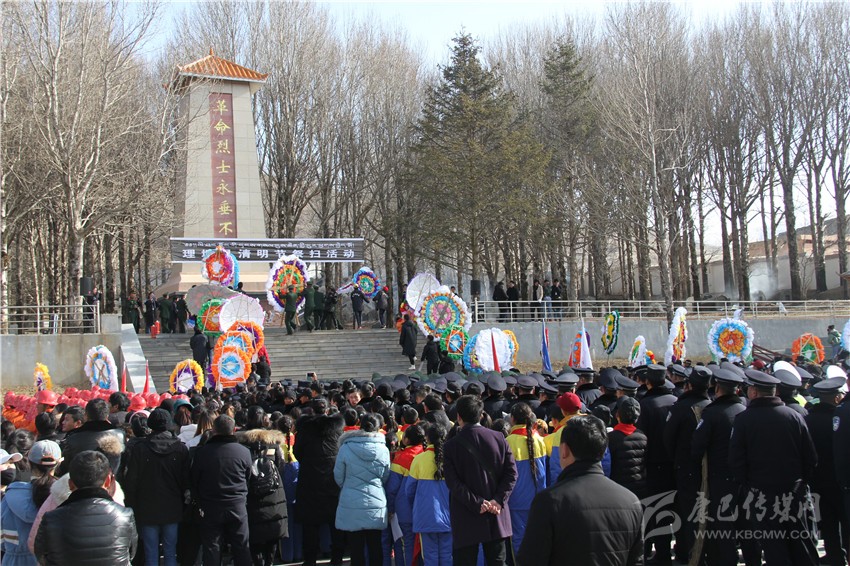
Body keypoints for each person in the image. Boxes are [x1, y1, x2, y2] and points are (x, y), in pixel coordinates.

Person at [516, 416, 644, 566]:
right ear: (603, 450)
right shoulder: (631, 502)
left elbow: (530, 560)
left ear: (564, 450)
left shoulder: (548, 501)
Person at [729, 370, 819, 565]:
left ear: (754, 392)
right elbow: (810, 457)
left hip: (761, 493)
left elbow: (736, 460)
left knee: (773, 545)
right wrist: (801, 483)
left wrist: (748, 486)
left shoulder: (744, 419)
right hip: (793, 490)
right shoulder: (794, 416)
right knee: (800, 540)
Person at [443, 395, 518, 566]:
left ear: (459, 417)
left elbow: (453, 483)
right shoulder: (499, 438)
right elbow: (512, 474)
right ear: (481, 414)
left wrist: (477, 502)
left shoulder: (451, 446)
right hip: (495, 512)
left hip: (466, 514)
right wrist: (498, 500)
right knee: (497, 561)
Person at [689, 368, 754, 566]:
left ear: (717, 388)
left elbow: (697, 445)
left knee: (724, 526)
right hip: (746, 477)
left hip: (721, 477)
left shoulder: (712, 413)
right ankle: (753, 560)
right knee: (747, 524)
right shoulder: (745, 410)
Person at [34, 450, 137, 566]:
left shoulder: (51, 519)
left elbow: (40, 555)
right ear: (108, 481)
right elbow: (130, 554)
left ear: (70, 484)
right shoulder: (124, 515)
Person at [120, 408, 190, 566]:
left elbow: (131, 481)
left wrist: (132, 504)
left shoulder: (140, 448)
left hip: (147, 507)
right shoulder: (180, 448)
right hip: (173, 506)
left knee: (150, 552)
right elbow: (186, 480)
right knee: (170, 552)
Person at [663, 366, 711, 562]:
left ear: (689, 385)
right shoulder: (711, 406)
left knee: (687, 513)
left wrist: (677, 461)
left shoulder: (680, 408)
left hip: (686, 469)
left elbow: (668, 439)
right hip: (709, 471)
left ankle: (688, 554)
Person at [190, 415, 252, 566]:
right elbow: (248, 477)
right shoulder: (244, 452)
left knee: (212, 547)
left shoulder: (202, 452)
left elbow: (194, 480)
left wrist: (200, 501)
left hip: (210, 505)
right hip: (237, 504)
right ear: (233, 430)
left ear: (214, 430)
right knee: (241, 546)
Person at [333, 413, 391, 566]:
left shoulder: (346, 447)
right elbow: (385, 475)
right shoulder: (383, 449)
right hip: (376, 499)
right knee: (375, 544)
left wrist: (348, 486)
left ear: (360, 424)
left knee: (356, 547)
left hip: (351, 499)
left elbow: (338, 476)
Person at [294, 399, 346, 566]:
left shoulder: (304, 429)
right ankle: (337, 557)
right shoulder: (337, 430)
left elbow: (298, 452)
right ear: (327, 410)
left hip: (310, 479)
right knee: (335, 521)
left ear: (312, 410)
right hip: (332, 479)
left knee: (310, 523)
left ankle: (310, 559)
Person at [636, 364, 677, 565]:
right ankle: (675, 552)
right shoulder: (675, 401)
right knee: (675, 511)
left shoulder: (645, 404)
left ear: (648, 382)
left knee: (657, 511)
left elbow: (641, 438)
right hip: (675, 465)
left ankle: (660, 555)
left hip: (653, 466)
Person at [804, 376, 848, 566]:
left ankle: (835, 558)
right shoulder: (841, 417)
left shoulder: (808, 419)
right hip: (842, 481)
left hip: (818, 481)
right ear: (837, 397)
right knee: (846, 523)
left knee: (828, 525)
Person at [237, 407, 288, 566]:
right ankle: (269, 562)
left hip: (250, 491)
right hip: (273, 492)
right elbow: (281, 465)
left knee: (254, 535)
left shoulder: (241, 442)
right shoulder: (273, 441)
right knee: (272, 533)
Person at [1, 440, 61, 566]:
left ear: (28, 462)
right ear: (59, 462)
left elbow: (1, 540)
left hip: (13, 560)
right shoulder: (61, 496)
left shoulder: (11, 495)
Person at [406, 424, 452, 566]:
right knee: (447, 556)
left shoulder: (419, 459)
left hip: (425, 515)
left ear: (427, 438)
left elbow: (409, 490)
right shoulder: (451, 459)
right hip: (449, 516)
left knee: (430, 557)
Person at [505, 403, 547, 554]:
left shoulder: (508, 442)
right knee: (537, 539)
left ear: (512, 419)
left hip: (516, 501)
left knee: (518, 541)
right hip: (538, 499)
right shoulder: (540, 439)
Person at [386, 424, 426, 566]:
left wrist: (390, 508)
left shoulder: (400, 457)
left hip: (404, 510)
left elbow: (392, 489)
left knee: (408, 544)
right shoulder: (426, 455)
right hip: (424, 509)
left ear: (407, 440)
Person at [59, 398, 125, 476]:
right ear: (107, 415)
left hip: (80, 480)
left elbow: (66, 468)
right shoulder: (120, 434)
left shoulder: (72, 438)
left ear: (85, 415)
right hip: (110, 480)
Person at [607, 397, 647, 499]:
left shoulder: (611, 438)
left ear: (618, 415)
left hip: (618, 488)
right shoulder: (642, 436)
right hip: (639, 486)